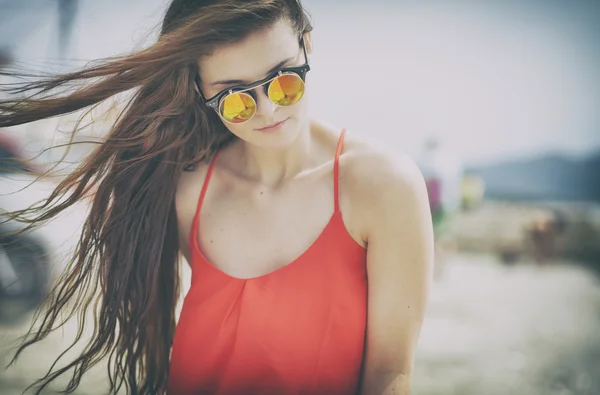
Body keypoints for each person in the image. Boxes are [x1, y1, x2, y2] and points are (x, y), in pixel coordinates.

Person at [0, 1, 434, 394]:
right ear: (200, 90)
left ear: (307, 44)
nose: (267, 110)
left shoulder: (383, 186)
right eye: (235, 98)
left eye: (284, 82)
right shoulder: (188, 188)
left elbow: (391, 373)